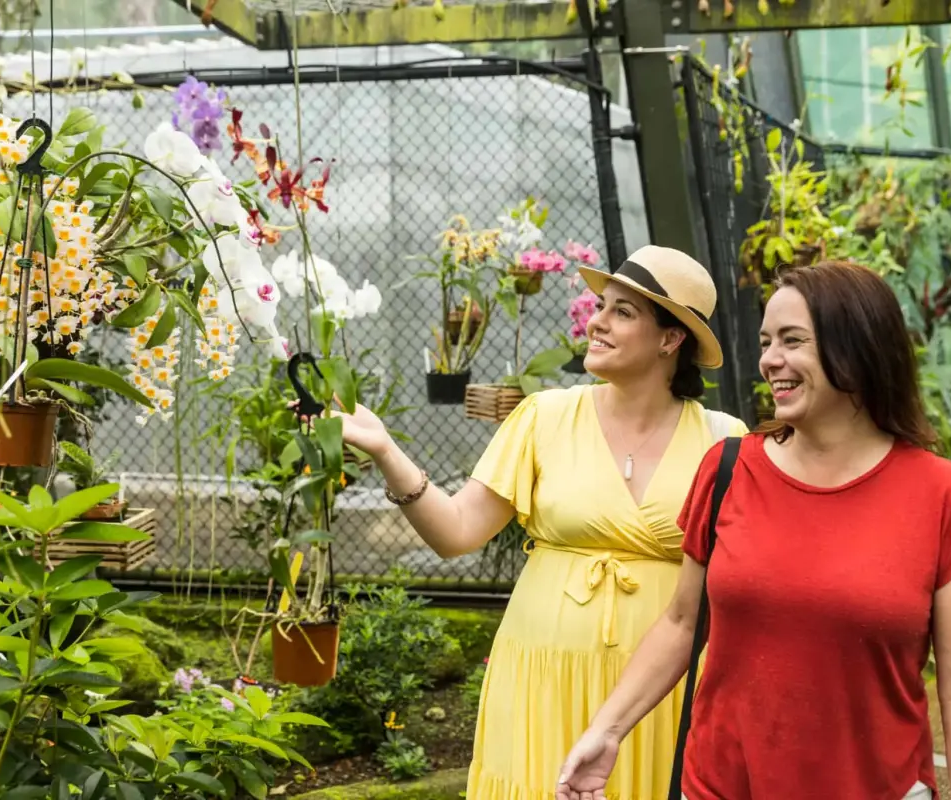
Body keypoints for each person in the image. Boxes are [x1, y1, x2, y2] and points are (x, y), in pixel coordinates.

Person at [555, 261, 951, 800]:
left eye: (792, 341)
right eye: (766, 342)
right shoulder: (728, 470)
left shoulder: (942, 496)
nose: (769, 360)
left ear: (857, 350)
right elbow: (680, 623)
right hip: (720, 787)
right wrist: (606, 730)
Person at [320, 245, 748, 799]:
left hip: (662, 693)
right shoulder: (545, 417)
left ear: (671, 339)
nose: (596, 322)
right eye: (602, 305)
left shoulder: (725, 440)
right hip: (541, 677)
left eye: (623, 311)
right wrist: (385, 451)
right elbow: (456, 532)